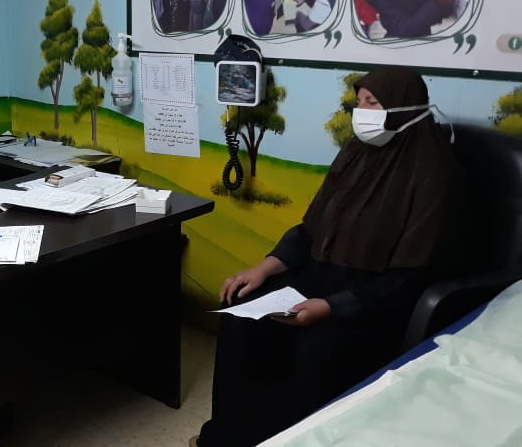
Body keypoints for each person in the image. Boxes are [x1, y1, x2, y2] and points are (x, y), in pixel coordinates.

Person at [192, 66, 465, 447]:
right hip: (322, 276)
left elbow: (410, 277)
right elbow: (311, 229)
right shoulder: (356, 152)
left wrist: (331, 307)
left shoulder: (435, 173)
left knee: (314, 347)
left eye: (372, 103)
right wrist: (263, 268)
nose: (361, 112)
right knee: (241, 317)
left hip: (376, 299)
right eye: (359, 102)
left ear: (404, 107)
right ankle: (230, 436)